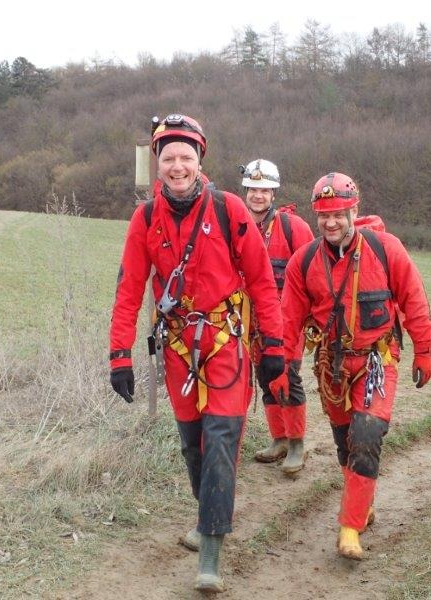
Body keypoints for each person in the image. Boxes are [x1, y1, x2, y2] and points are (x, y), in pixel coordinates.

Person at [108, 115, 286, 593]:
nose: (178, 166)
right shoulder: (145, 219)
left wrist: (273, 345)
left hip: (226, 345)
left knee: (221, 443)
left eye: (186, 157)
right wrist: (119, 354)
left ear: (199, 159)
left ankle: (210, 551)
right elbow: (129, 288)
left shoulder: (230, 210)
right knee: (193, 445)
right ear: (158, 163)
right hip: (178, 351)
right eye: (169, 158)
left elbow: (263, 283)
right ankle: (208, 514)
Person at [270, 172, 431, 560]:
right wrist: (281, 367)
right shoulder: (304, 261)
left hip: (378, 361)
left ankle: (349, 529)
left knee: (366, 436)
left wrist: (424, 351)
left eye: (340, 214)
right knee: (347, 446)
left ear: (353, 211)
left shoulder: (386, 249)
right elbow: (288, 321)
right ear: (316, 216)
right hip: (331, 369)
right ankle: (364, 505)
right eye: (324, 215)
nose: (331, 222)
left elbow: (414, 301)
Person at [240, 159, 314, 475]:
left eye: (264, 190)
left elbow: (314, 272)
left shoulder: (293, 228)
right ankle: (279, 439)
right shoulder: (236, 223)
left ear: (274, 193)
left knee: (288, 378)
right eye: (253, 189)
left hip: (287, 321)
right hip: (249, 321)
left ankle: (297, 445)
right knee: (266, 379)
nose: (258, 195)